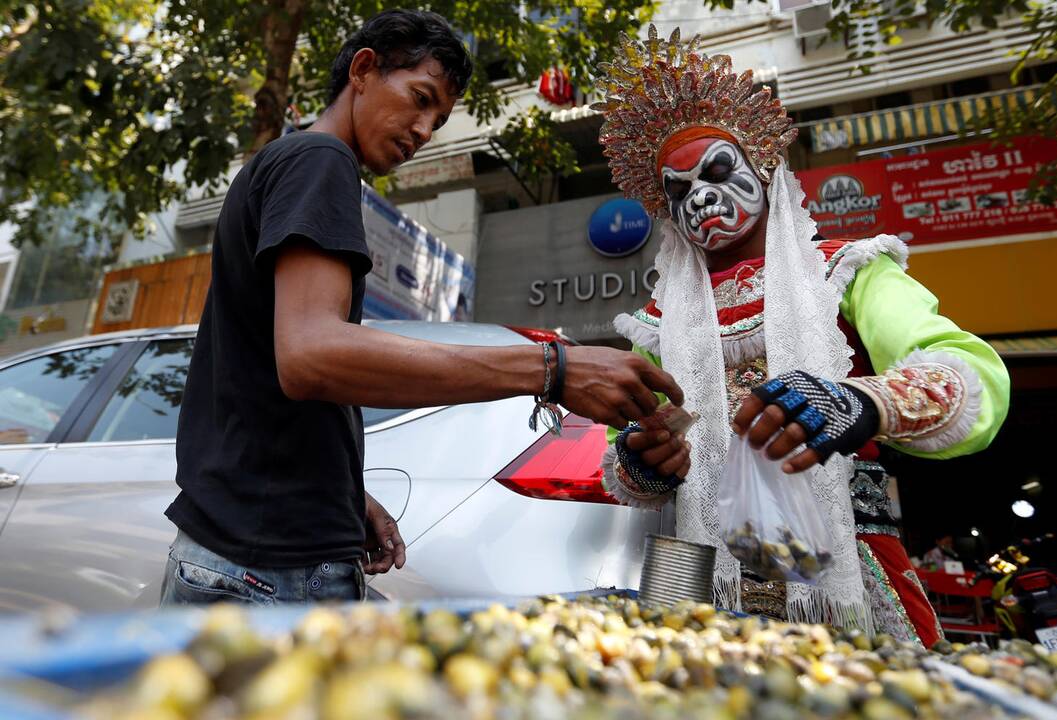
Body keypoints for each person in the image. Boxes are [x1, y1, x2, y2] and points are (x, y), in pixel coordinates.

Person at [160, 10, 684, 606]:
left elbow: (260, 376)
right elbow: (310, 356)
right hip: (264, 567)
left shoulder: (289, 165)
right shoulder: (318, 162)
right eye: (419, 98)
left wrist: (343, 495)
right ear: (363, 70)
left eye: (437, 119)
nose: (424, 130)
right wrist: (553, 368)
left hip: (254, 547)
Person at [594, 26, 1010, 646]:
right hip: (697, 573)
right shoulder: (660, 321)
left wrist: (865, 402)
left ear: (764, 170)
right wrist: (641, 457)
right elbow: (627, 453)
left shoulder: (846, 272)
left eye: (717, 171)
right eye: (678, 192)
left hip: (845, 558)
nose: (701, 198)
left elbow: (972, 375)